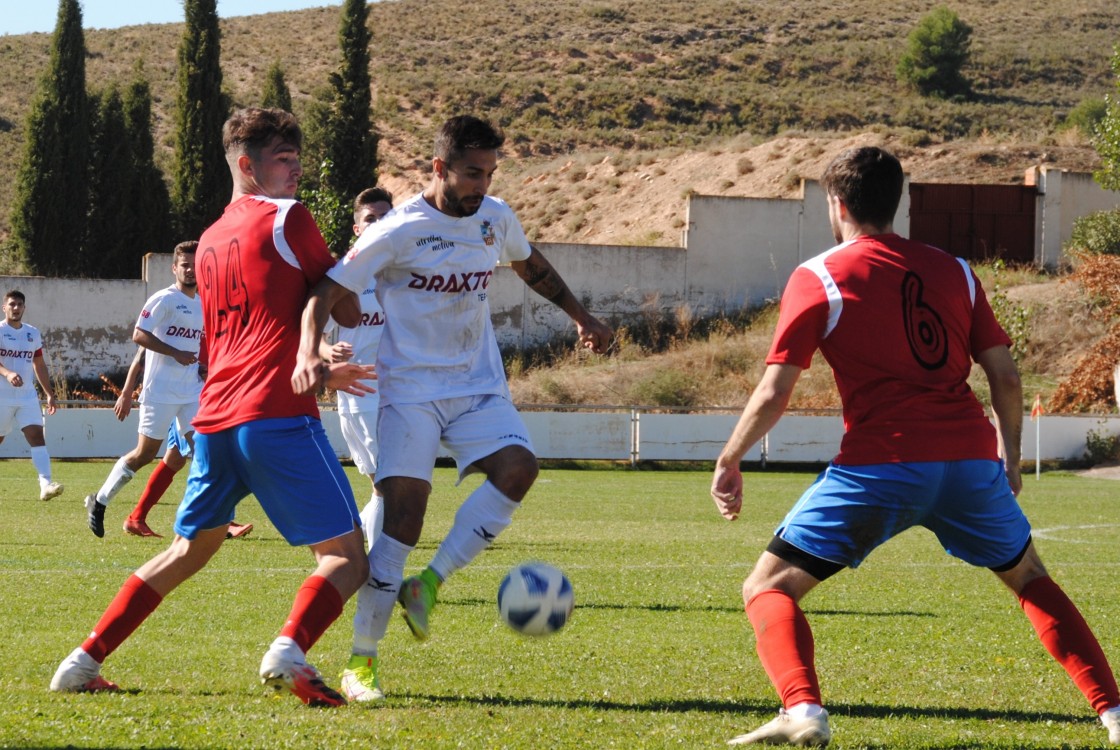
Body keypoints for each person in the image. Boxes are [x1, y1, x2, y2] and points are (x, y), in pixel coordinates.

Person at [709, 146, 1120, 747]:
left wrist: (729, 457)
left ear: (837, 203)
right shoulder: (955, 270)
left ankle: (802, 710)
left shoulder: (818, 276)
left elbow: (775, 390)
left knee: (768, 588)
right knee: (1030, 578)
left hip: (881, 466)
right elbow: (1005, 375)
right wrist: (1007, 456)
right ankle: (1112, 714)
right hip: (969, 464)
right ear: (896, 202)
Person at [51, 107, 374, 707]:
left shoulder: (211, 239)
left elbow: (256, 325)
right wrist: (356, 262)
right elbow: (349, 308)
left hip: (215, 420)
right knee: (346, 556)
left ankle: (81, 660)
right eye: (284, 159)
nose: (296, 169)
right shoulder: (288, 217)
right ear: (247, 165)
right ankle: (289, 652)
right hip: (276, 414)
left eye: (298, 158)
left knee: (186, 550)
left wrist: (319, 355)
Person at [293, 115, 613, 702]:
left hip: (477, 384)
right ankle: (361, 663)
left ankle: (429, 585)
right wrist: (310, 350)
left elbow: (531, 265)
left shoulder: (495, 218)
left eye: (489, 173)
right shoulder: (396, 230)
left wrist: (580, 315)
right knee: (402, 519)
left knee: (519, 469)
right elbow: (325, 292)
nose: (482, 185)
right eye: (471, 173)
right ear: (439, 168)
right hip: (408, 391)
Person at [316, 186, 392, 701]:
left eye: (389, 216)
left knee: (393, 489)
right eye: (371, 218)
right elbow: (310, 331)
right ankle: (362, 568)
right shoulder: (345, 274)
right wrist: (327, 349)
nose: (382, 224)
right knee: (389, 488)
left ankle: (357, 560)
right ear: (356, 228)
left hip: (404, 394)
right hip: (361, 395)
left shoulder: (405, 265)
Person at [84, 243, 204, 538]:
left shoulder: (204, 302)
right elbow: (139, 335)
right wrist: (174, 353)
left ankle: (202, 520)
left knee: (205, 451)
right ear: (174, 268)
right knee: (145, 454)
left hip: (191, 392)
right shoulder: (164, 299)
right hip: (160, 391)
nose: (190, 270)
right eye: (184, 265)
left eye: (194, 265)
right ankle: (99, 502)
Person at [113, 345, 253, 540]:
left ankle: (137, 518)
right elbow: (143, 352)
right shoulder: (182, 319)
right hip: (188, 399)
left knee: (175, 460)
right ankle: (218, 520)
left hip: (193, 397)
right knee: (208, 456)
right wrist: (126, 392)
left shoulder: (203, 320)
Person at [0, 289, 63, 501]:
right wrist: (8, 373)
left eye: (19, 304)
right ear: (4, 307)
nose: (16, 308)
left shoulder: (32, 333)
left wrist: (49, 393)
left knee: (37, 435)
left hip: (27, 397)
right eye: (12, 304)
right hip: (2, 396)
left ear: (24, 308)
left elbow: (39, 363)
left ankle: (45, 485)